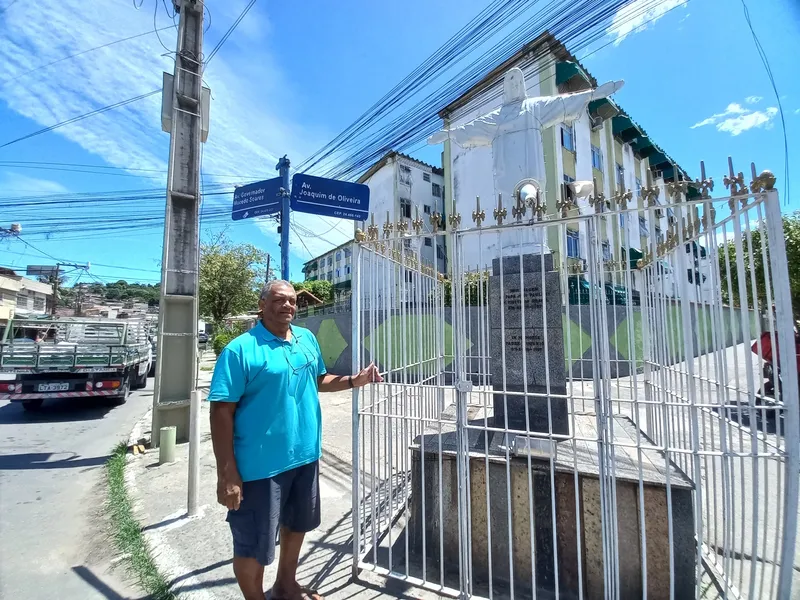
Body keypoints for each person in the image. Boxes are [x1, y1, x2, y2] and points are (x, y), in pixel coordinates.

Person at [208, 280, 382, 600]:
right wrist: (227, 472)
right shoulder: (240, 350)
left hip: (305, 455)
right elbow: (221, 410)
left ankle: (286, 586)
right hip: (259, 466)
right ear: (262, 304)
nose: (287, 306)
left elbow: (319, 380)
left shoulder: (306, 339)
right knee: (254, 543)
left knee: (296, 525)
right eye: (278, 300)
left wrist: (355, 381)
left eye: (291, 301)